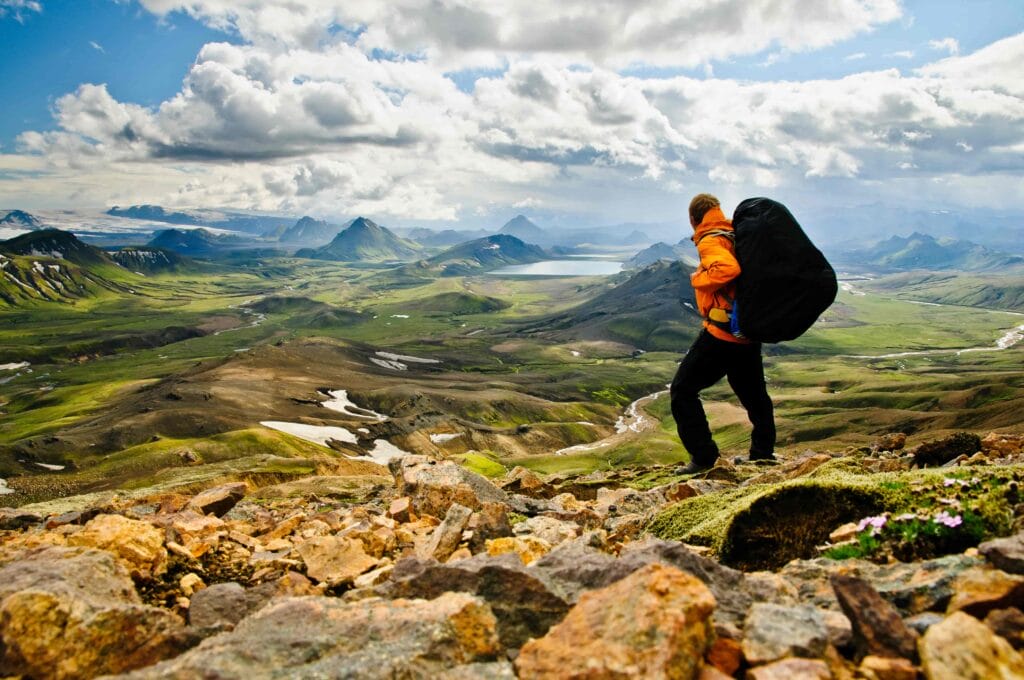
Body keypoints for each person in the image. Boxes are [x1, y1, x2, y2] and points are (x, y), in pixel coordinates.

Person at [671, 193, 775, 474]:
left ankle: (703, 457)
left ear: (693, 219)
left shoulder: (710, 239)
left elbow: (728, 269)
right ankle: (763, 454)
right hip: (746, 332)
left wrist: (697, 278)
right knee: (755, 396)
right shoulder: (733, 234)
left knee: (682, 390)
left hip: (722, 334)